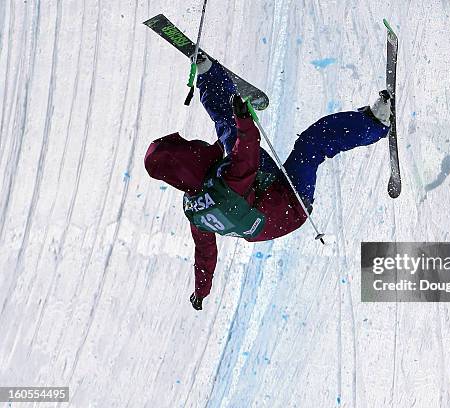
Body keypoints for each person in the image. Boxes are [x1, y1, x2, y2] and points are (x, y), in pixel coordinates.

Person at [144, 57, 392, 310]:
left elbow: (205, 253)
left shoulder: (194, 208)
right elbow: (247, 153)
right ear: (184, 159)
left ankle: (210, 76)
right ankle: (377, 124)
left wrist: (201, 291)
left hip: (262, 193)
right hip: (291, 205)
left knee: (228, 130)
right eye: (184, 145)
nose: (190, 143)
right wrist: (243, 121)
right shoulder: (226, 184)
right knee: (311, 143)